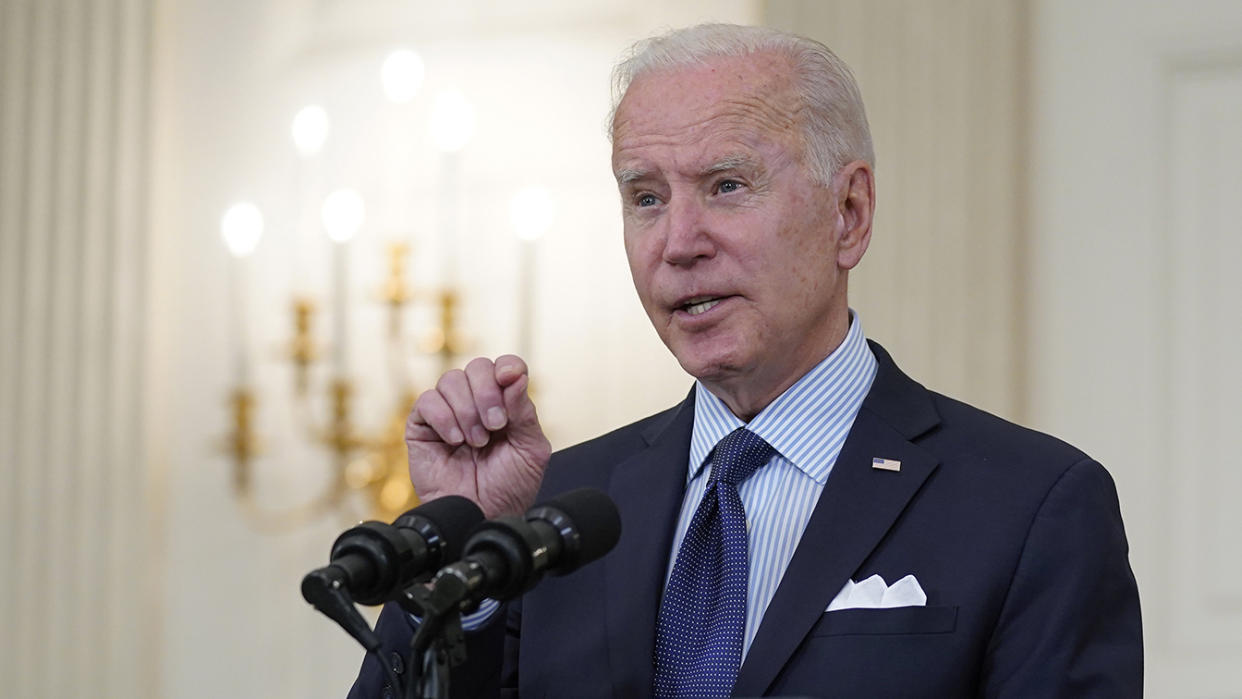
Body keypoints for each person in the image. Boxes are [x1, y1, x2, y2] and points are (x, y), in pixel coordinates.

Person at [350, 23, 1142, 698]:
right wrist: (458, 555)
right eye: (646, 197)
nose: (679, 242)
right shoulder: (554, 510)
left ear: (850, 213)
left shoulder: (1033, 507)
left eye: (727, 185)